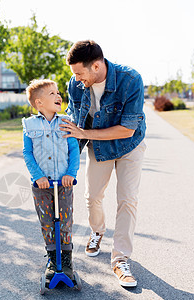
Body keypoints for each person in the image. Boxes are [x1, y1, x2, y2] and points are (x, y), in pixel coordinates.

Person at [60, 40, 146, 288]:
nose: (76, 79)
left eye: (79, 73)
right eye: (73, 74)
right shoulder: (76, 85)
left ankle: (120, 259)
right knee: (92, 197)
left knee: (128, 199)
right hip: (99, 146)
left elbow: (128, 130)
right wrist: (67, 164)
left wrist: (84, 134)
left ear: (96, 66)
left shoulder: (130, 80)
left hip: (129, 145)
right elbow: (74, 125)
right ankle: (97, 231)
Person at [22, 79, 80, 284]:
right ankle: (53, 261)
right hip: (42, 186)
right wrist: (37, 176)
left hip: (63, 184)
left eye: (58, 93)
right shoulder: (29, 125)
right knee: (47, 223)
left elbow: (74, 150)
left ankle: (66, 260)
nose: (58, 96)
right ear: (39, 103)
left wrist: (71, 173)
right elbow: (27, 153)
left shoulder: (66, 122)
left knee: (64, 221)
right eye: (52, 94)